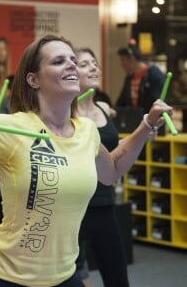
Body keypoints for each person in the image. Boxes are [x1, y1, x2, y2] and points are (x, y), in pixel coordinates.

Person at [0, 35, 172, 287]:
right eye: (58, 61)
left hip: (64, 277)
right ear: (33, 80)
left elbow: (111, 171)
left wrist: (146, 124)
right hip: (5, 276)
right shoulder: (5, 128)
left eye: (72, 60)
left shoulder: (86, 131)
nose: (71, 64)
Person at [75, 48, 130, 287]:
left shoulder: (104, 109)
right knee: (77, 277)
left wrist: (143, 132)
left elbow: (112, 153)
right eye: (85, 64)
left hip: (105, 204)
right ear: (71, 72)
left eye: (94, 63)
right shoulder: (63, 113)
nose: (94, 68)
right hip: (75, 206)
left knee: (118, 278)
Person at [115, 42, 165, 113]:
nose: (121, 64)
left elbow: (158, 100)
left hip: (152, 119)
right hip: (135, 119)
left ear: (132, 59)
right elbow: (122, 100)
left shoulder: (154, 75)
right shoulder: (129, 78)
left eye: (123, 60)